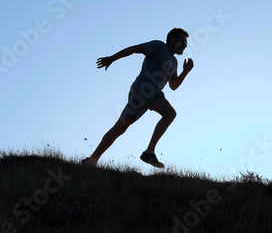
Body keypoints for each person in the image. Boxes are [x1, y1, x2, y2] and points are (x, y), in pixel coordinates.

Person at [82, 28, 194, 168]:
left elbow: (173, 85)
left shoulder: (175, 62)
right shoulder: (159, 46)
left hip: (145, 94)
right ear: (172, 39)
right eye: (183, 41)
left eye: (186, 43)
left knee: (121, 127)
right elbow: (135, 49)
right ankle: (149, 152)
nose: (185, 45)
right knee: (170, 113)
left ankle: (92, 159)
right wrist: (111, 58)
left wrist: (185, 71)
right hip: (145, 87)